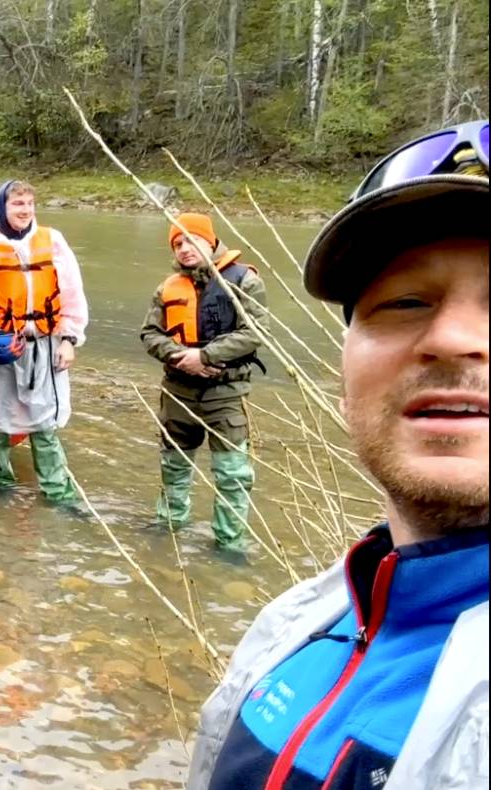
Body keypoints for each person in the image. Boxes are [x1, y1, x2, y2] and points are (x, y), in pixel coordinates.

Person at [188, 121, 488, 789]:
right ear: (346, 360)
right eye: (406, 302)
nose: (452, 338)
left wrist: (207, 356)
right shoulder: (292, 627)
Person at [139, 212, 267, 550]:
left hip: (226, 393)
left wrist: (205, 356)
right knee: (174, 466)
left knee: (232, 474)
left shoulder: (244, 280)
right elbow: (150, 334)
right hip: (178, 391)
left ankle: (229, 543)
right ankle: (168, 526)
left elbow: (255, 332)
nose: (184, 248)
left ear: (210, 241)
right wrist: (182, 357)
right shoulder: (166, 288)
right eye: (178, 243)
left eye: (191, 240)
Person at [0, 180, 88, 499]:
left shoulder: (53, 242)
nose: (26, 209)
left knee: (46, 423)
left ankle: (57, 491)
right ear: (2, 208)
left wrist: (69, 340)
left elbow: (73, 294)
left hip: (45, 344)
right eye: (18, 204)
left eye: (30, 203)